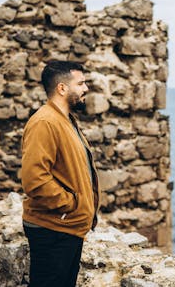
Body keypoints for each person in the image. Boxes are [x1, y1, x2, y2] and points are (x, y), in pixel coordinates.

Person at [20, 60, 100, 287]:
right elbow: (34, 180)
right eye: (81, 83)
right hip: (53, 228)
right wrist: (70, 204)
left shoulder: (66, 120)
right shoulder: (45, 122)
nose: (86, 88)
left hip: (67, 227)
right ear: (62, 88)